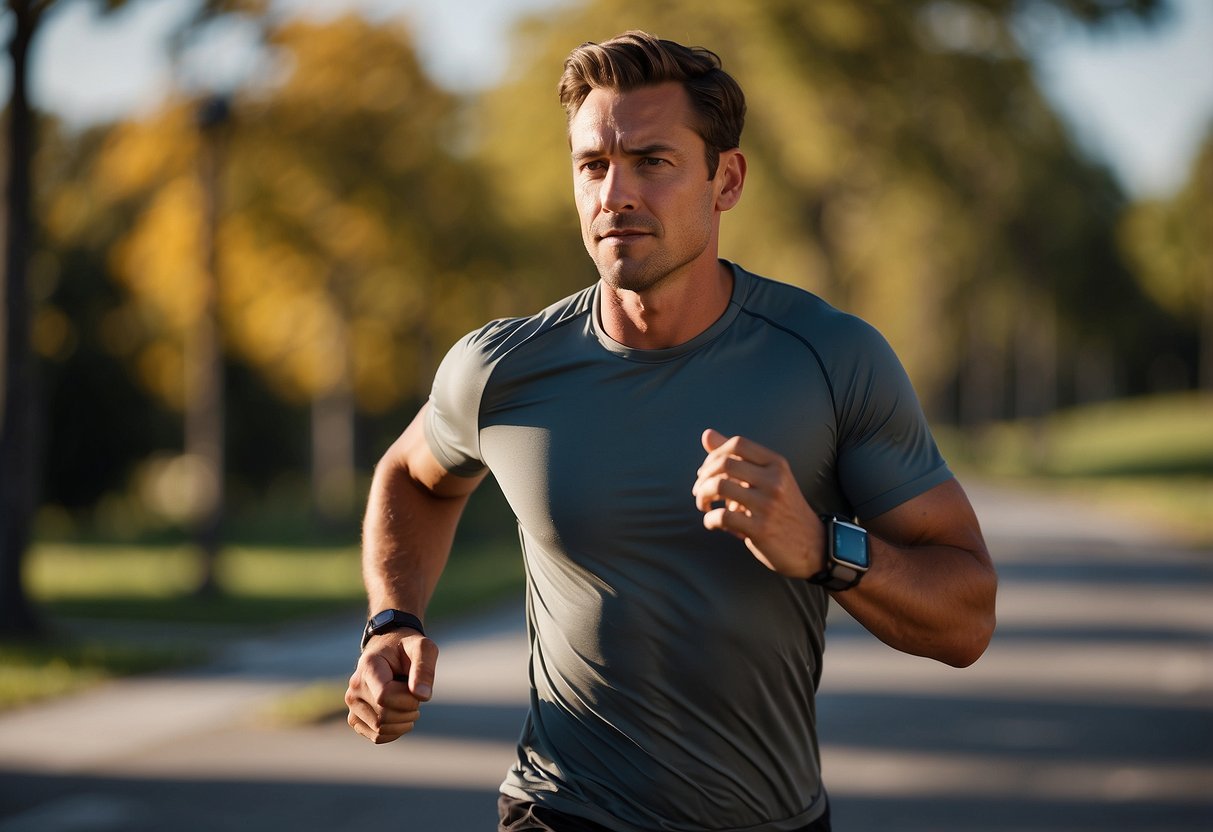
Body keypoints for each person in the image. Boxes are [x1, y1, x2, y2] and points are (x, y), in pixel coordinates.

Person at [345, 30, 997, 832]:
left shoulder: (831, 358)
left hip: (771, 819)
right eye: (593, 165)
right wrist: (392, 619)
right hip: (561, 809)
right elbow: (412, 475)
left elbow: (966, 617)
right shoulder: (502, 367)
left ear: (726, 180)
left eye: (652, 161)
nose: (614, 193)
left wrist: (824, 547)